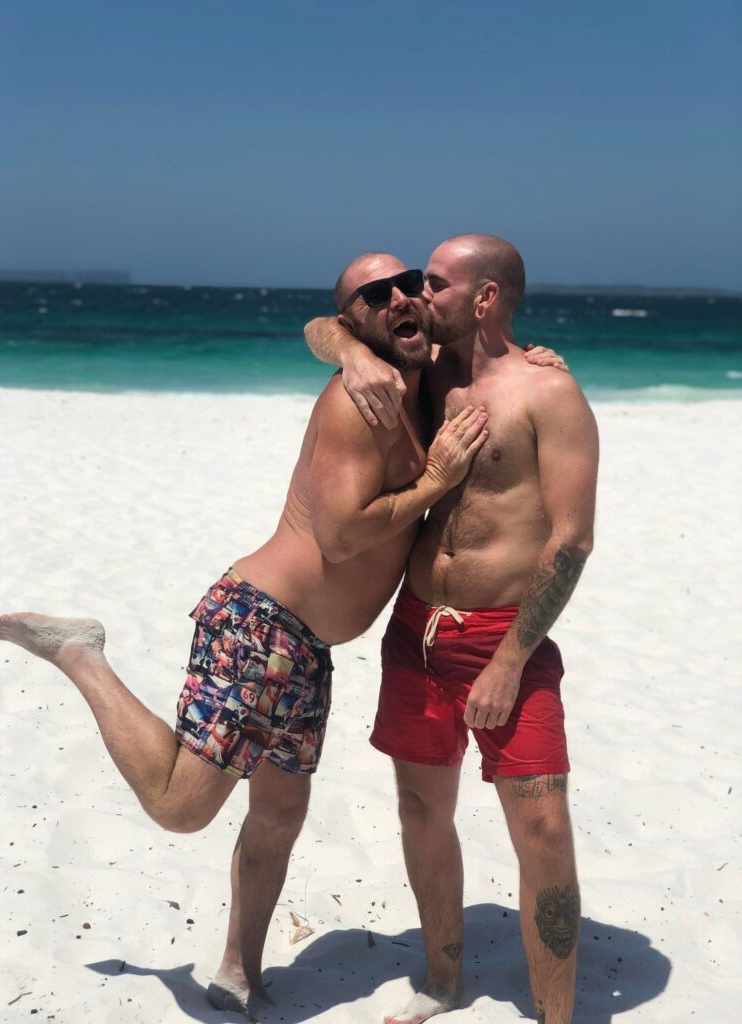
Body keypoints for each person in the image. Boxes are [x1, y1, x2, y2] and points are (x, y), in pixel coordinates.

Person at [0, 251, 492, 1019]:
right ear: (358, 317)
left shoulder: (417, 384)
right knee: (181, 808)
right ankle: (81, 654)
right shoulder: (359, 404)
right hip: (259, 621)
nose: (397, 299)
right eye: (373, 296)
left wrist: (525, 354)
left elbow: (322, 327)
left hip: (308, 650)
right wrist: (435, 480)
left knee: (280, 815)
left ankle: (237, 969)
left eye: (408, 283)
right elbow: (345, 534)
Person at [304, 234, 599, 1024]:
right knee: (420, 812)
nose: (413, 297)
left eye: (430, 283)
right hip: (416, 632)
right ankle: (443, 981)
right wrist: (355, 356)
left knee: (541, 828)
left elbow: (570, 541)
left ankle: (558, 1016)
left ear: (484, 298)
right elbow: (323, 327)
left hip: (508, 641)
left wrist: (510, 661)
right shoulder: (424, 371)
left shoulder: (549, 394)